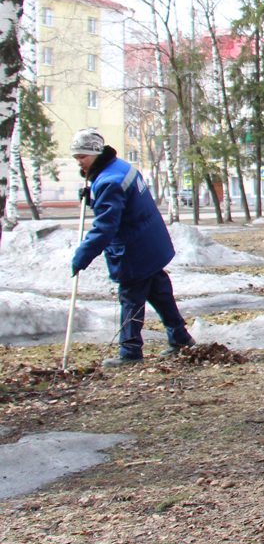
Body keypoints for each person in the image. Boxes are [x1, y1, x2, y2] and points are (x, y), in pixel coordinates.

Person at [69, 129, 196, 367]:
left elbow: (105, 227)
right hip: (150, 240)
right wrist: (93, 196)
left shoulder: (109, 181)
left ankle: (130, 351)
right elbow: (123, 205)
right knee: (158, 289)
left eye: (81, 157)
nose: (79, 162)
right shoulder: (119, 166)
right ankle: (180, 336)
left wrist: (82, 256)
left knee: (131, 297)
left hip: (134, 248)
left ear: (95, 154)